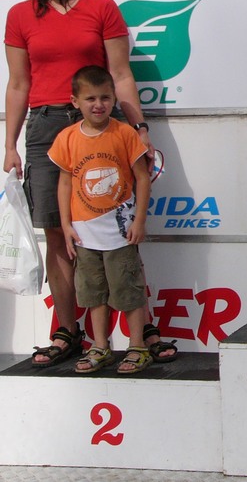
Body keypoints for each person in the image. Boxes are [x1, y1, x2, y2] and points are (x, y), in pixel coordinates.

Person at [3, 0, 177, 366]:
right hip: (46, 129)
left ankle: (142, 329)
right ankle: (68, 331)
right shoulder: (20, 16)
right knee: (57, 232)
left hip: (102, 126)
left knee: (119, 230)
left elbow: (120, 75)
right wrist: (10, 144)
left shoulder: (102, 8)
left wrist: (138, 127)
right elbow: (19, 84)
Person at [48, 66, 151, 374]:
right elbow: (64, 183)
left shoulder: (125, 133)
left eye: (105, 97)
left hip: (120, 231)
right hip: (84, 234)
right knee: (94, 293)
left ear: (114, 99)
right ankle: (100, 346)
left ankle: (138, 346)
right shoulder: (67, 138)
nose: (98, 104)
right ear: (75, 101)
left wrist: (139, 220)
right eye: (90, 98)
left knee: (128, 290)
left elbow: (142, 178)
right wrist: (66, 225)